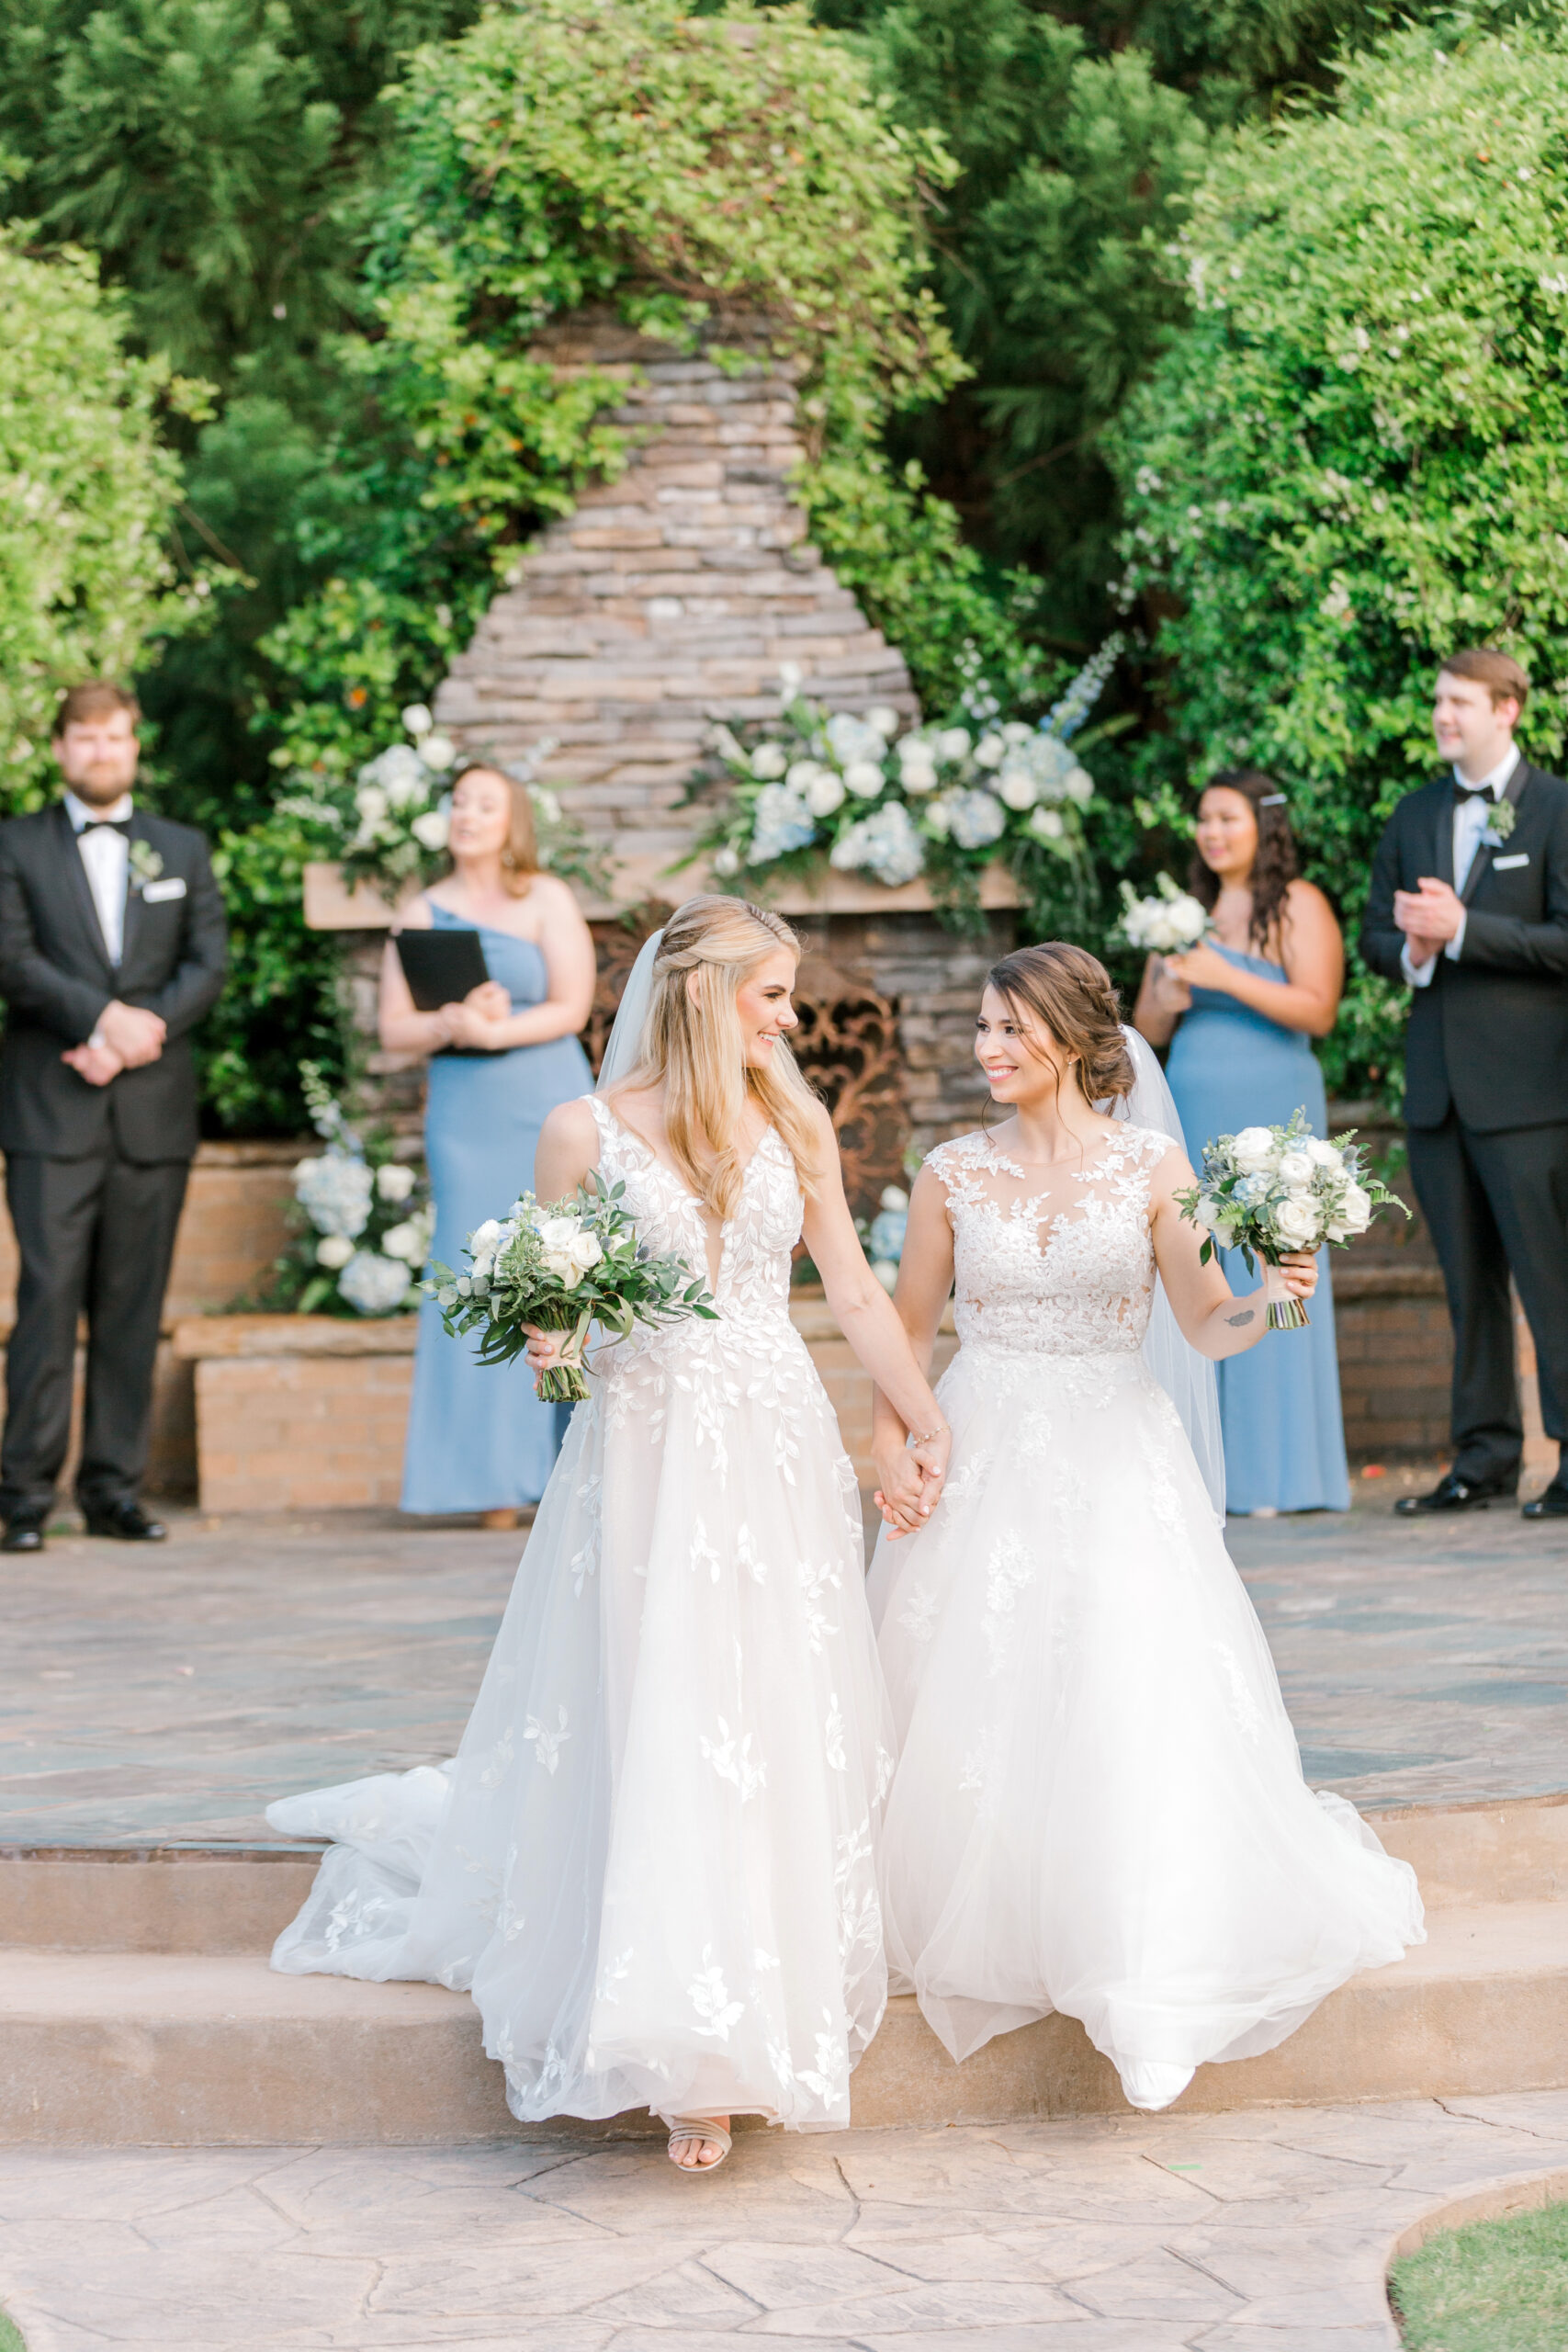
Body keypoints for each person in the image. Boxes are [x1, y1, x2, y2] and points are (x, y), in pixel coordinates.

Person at [266, 897, 952, 2173]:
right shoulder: (576, 1133)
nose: (789, 1021)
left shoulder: (794, 1121)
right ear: (700, 994)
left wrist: (919, 1418)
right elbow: (561, 1359)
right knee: (656, 1706)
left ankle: (751, 2000)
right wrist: (553, 1345)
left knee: (760, 1704)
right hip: (636, 1454)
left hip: (767, 1439)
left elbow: (850, 1290)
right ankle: (680, 2045)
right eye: (770, 997)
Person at [868, 944, 1424, 2113]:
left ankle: (1146, 1976)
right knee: (979, 1691)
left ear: (1071, 1037)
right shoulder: (950, 1174)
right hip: (984, 1453)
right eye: (980, 1027)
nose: (987, 1049)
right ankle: (1010, 1927)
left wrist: (1272, 1293)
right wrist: (891, 1442)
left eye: (1008, 1028)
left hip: (1118, 1452)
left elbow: (1203, 1322)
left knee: (1129, 1694)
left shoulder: (1151, 1166)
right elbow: (907, 1333)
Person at [0, 682, 227, 1553]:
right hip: (50, 1112)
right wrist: (99, 1021)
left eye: (116, 738)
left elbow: (209, 961)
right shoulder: (15, 846)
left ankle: (113, 1491)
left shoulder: (181, 848)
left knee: (133, 1309)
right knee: (47, 1302)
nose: (102, 752)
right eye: (86, 738)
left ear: (136, 747)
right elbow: (13, 959)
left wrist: (135, 1036)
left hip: (151, 1116)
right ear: (60, 748)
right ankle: (22, 1498)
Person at [1362, 650, 1568, 1520]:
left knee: (1550, 1282)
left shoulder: (1556, 807)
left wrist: (1461, 930)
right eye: (1438, 700)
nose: (1443, 714)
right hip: (1437, 1094)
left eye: (1459, 701)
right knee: (1466, 1285)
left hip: (1529, 1098)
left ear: (1507, 709)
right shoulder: (1412, 814)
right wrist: (1410, 949)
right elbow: (1376, 933)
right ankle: (1481, 1458)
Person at [382, 764, 595, 1526]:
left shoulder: (546, 898)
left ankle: (572, 1460)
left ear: (513, 821)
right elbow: (392, 1028)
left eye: (486, 804)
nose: (468, 815)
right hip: (465, 1113)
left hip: (543, 1100)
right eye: (459, 802)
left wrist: (499, 1029)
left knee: (558, 1263)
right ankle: (487, 1480)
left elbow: (573, 1006)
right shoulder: (421, 908)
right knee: (475, 1271)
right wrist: (453, 1024)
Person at [1134, 771, 1350, 1515]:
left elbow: (1316, 1007)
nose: (1212, 831)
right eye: (1203, 819)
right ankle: (1202, 1465)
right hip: (1192, 1099)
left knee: (1273, 1258)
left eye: (1227, 817)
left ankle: (1278, 1472)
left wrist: (1224, 973)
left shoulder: (1297, 904)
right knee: (1198, 1258)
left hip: (1272, 1105)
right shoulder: (1181, 914)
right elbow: (1147, 1032)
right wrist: (1165, 995)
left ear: (1263, 825)